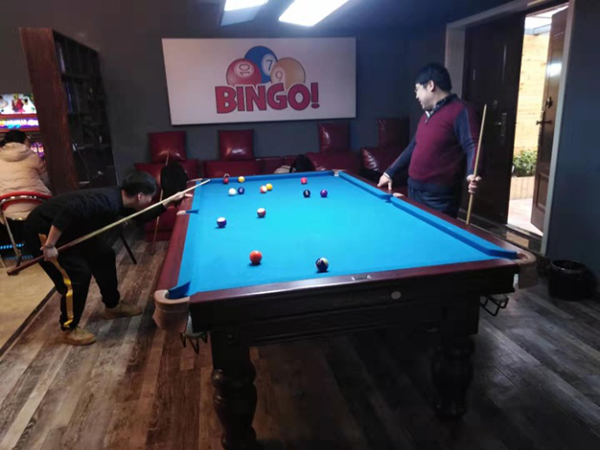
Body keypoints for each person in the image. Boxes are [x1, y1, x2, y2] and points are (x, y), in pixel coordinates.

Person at [23, 171, 183, 346]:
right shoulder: (106, 201)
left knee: (105, 255)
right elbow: (68, 211)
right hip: (45, 230)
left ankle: (112, 306)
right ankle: (69, 328)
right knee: (77, 276)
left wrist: (168, 202)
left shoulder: (123, 199)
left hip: (72, 229)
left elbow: (141, 216)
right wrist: (49, 246)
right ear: (139, 196)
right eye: (150, 197)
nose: (151, 200)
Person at [377, 63, 482, 217]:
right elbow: (413, 146)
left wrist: (472, 173)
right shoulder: (426, 116)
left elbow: (473, 144)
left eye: (417, 89)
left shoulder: (461, 110)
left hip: (438, 198)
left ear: (431, 85)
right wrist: (390, 172)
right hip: (414, 190)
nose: (416, 96)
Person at [0, 130, 51, 222]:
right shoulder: (34, 157)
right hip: (37, 203)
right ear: (24, 141)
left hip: (6, 206)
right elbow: (46, 181)